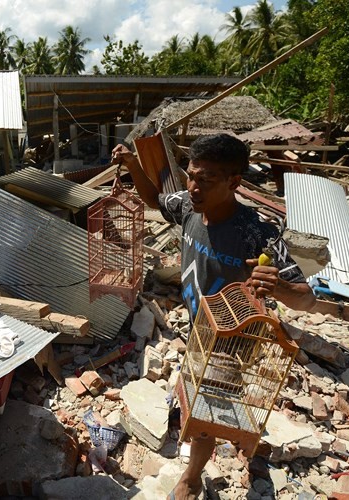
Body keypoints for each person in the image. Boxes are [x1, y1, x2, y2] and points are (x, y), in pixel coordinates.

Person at [112, 133, 316, 500]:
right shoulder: (190, 206)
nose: (192, 187)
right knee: (193, 397)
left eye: (204, 180)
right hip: (198, 330)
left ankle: (191, 477)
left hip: (232, 342)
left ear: (234, 182)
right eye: (190, 175)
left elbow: (307, 299)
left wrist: (279, 288)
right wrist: (133, 166)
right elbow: (155, 200)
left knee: (205, 416)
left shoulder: (258, 234)